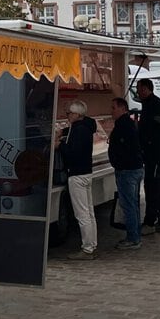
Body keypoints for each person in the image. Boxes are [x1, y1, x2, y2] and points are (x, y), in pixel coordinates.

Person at [58, 100, 99, 259]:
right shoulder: (86, 127)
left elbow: (72, 153)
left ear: (76, 114)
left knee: (82, 214)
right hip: (87, 172)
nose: (67, 116)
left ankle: (87, 248)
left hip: (77, 174)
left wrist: (59, 145)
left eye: (69, 113)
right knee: (89, 213)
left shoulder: (78, 130)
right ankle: (92, 244)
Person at [135, 79, 160, 234]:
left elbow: (154, 129)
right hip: (153, 152)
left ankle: (151, 221)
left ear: (145, 89)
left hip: (156, 152)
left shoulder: (155, 104)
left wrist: (145, 143)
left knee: (153, 185)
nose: (137, 92)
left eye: (139, 89)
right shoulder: (149, 104)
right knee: (156, 185)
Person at [108, 97, 144, 250]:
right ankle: (135, 235)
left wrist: (118, 163)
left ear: (122, 109)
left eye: (114, 108)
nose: (112, 111)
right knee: (133, 204)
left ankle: (133, 238)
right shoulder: (128, 124)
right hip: (133, 168)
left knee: (128, 205)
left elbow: (123, 148)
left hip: (127, 170)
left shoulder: (123, 125)